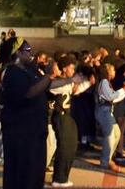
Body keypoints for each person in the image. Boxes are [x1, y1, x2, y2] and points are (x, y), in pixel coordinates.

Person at [1, 40, 56, 189]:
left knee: (35, 170)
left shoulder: (30, 68)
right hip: (20, 132)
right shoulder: (12, 72)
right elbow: (29, 93)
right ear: (17, 52)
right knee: (22, 170)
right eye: (27, 50)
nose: (30, 53)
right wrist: (48, 76)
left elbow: (45, 85)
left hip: (34, 131)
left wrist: (71, 80)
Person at [48, 55, 91, 187]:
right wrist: (72, 81)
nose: (73, 71)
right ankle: (59, 178)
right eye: (71, 68)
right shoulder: (58, 81)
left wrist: (89, 81)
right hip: (60, 116)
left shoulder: (67, 81)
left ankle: (63, 177)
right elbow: (52, 87)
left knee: (71, 146)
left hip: (68, 116)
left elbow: (77, 89)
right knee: (64, 147)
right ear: (65, 68)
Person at [96, 63, 125, 172]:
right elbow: (111, 96)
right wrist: (123, 89)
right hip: (103, 112)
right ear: (108, 72)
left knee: (117, 133)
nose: (114, 72)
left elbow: (114, 98)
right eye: (113, 70)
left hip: (108, 111)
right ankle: (105, 161)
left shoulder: (107, 83)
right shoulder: (104, 82)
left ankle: (108, 158)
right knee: (110, 136)